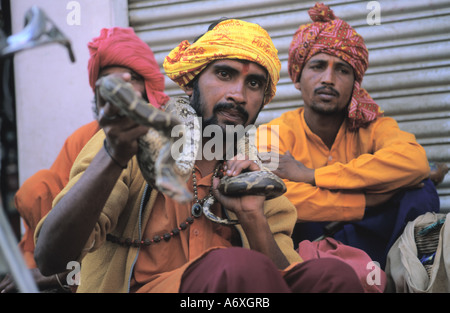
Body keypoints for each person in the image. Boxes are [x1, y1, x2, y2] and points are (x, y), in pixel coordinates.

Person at [34, 18, 365, 293]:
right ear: (190, 83)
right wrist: (115, 154)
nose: (238, 94)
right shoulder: (134, 140)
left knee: (334, 279)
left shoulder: (256, 171)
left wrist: (253, 217)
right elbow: (52, 258)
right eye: (224, 74)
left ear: (262, 100)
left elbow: (285, 280)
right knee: (235, 268)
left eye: (253, 84)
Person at [257, 3, 440, 269]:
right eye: (318, 66)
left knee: (422, 193)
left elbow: (414, 162)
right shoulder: (274, 133)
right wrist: (368, 200)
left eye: (342, 70)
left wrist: (313, 176)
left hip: (372, 242)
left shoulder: (374, 125)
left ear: (355, 81)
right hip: (308, 242)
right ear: (297, 78)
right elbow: (276, 198)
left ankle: (405, 274)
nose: (328, 79)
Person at [0, 27, 168, 293]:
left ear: (147, 85)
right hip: (65, 250)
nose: (119, 90)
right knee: (38, 186)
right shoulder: (82, 139)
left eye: (130, 79)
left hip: (121, 261)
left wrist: (61, 277)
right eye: (108, 82)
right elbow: (61, 220)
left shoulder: (170, 139)